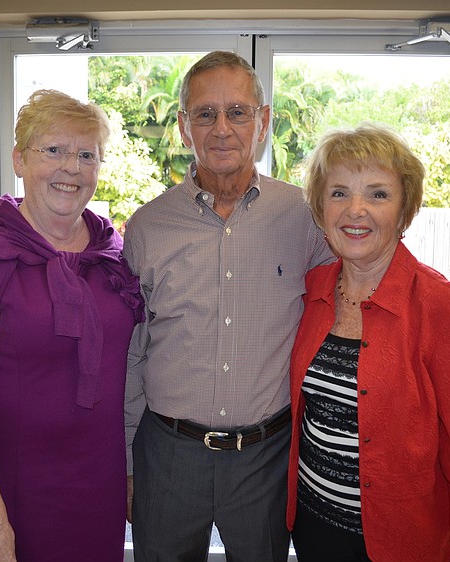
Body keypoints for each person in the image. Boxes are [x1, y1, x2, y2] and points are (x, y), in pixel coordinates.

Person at [123, 51, 333, 562]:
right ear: (182, 126)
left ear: (262, 122)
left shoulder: (306, 218)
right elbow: (133, 352)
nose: (222, 128)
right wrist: (128, 458)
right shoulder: (147, 228)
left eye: (237, 112)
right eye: (205, 113)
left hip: (266, 457)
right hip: (167, 454)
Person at [0, 89, 144, 562]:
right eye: (54, 151)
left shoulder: (113, 255)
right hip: (19, 489)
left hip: (99, 480)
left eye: (87, 155)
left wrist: (129, 473)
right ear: (19, 159)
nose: (72, 168)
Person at [287, 123, 450, 562]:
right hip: (313, 529)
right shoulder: (313, 290)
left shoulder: (445, 310)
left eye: (377, 194)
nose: (356, 210)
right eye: (338, 193)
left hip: (402, 543)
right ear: (319, 207)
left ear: (404, 208)